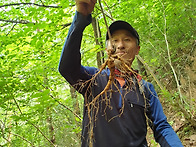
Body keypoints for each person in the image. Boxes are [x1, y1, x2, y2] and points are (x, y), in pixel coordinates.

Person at [58, 0, 183, 146]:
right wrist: (80, 18)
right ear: (107, 50)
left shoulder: (146, 89)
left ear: (137, 49)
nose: (120, 45)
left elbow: (161, 127)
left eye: (127, 40)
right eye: (114, 40)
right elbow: (67, 67)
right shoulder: (93, 79)